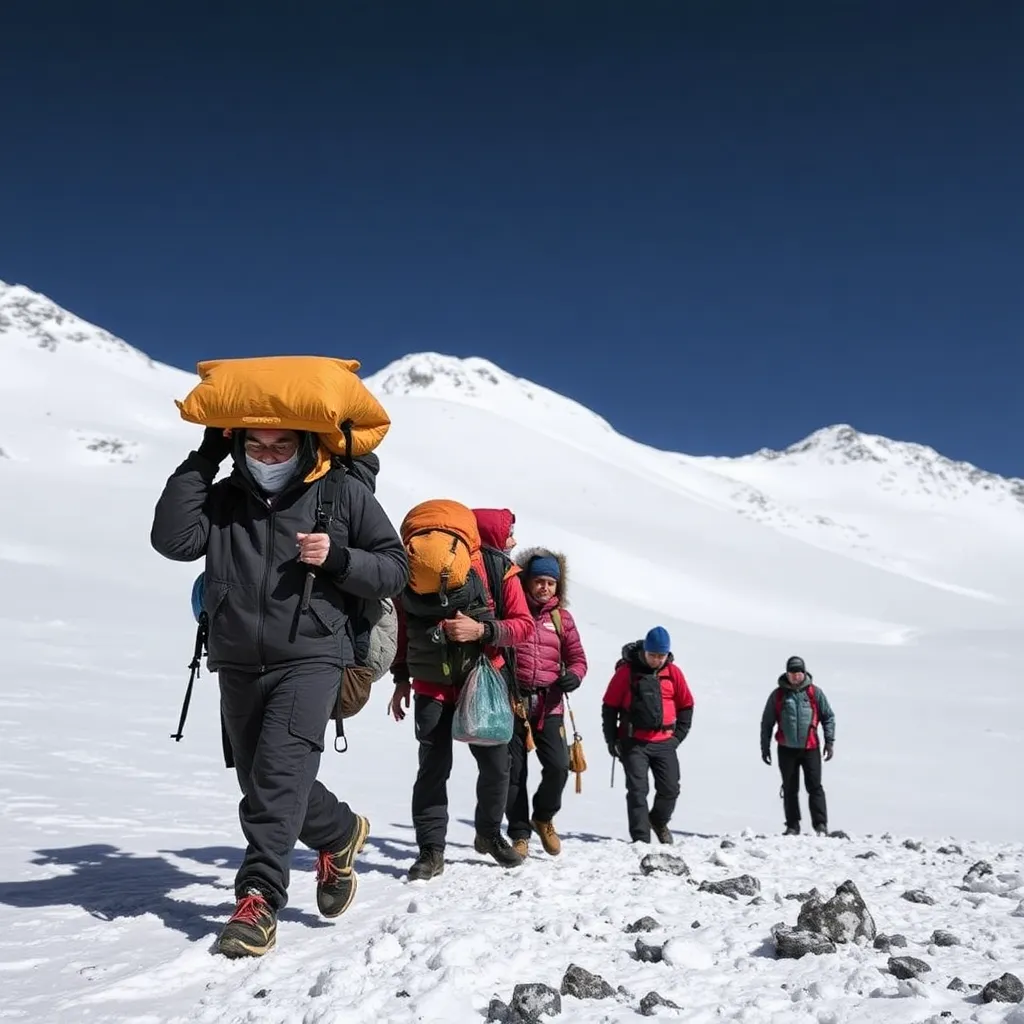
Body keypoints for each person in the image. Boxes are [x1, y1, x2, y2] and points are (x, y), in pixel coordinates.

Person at [151, 426, 408, 957]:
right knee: (261, 780)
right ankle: (338, 832)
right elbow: (173, 541)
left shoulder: (341, 495)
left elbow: (393, 569)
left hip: (312, 655)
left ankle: (258, 898)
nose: (268, 457)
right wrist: (206, 456)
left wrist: (338, 558)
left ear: (305, 446)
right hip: (238, 658)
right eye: (256, 446)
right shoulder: (223, 498)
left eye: (281, 446)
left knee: (276, 773)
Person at [388, 503, 534, 880]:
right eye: (510, 533)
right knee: (491, 768)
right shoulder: (497, 569)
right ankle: (450, 844)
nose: (513, 541)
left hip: (438, 684)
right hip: (469, 683)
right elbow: (524, 627)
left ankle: (443, 850)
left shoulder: (420, 567)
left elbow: (401, 626)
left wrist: (481, 631)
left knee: (437, 770)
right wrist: (401, 677)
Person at [505, 548, 588, 857]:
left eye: (550, 583)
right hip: (514, 703)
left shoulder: (562, 619)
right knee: (514, 773)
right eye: (539, 581)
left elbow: (577, 658)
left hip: (549, 705)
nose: (544, 588)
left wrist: (575, 676)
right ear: (527, 582)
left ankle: (543, 817)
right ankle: (519, 834)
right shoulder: (514, 613)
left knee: (558, 767)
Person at [601, 627, 694, 844]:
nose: (656, 660)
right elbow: (609, 706)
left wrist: (677, 737)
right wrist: (611, 739)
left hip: (665, 742)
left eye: (661, 656)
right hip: (633, 742)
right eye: (652, 655)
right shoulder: (627, 672)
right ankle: (641, 841)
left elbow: (687, 705)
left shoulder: (674, 673)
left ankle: (658, 821)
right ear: (645, 651)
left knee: (670, 789)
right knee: (637, 790)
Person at [760, 655, 835, 836]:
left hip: (811, 748)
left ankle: (820, 825)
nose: (796, 676)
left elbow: (828, 717)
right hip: (786, 749)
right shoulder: (778, 695)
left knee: (815, 786)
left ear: (804, 672)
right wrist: (765, 747)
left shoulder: (814, 693)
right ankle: (792, 825)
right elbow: (767, 722)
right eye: (792, 672)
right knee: (789, 787)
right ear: (787, 673)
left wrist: (829, 742)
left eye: (799, 672)